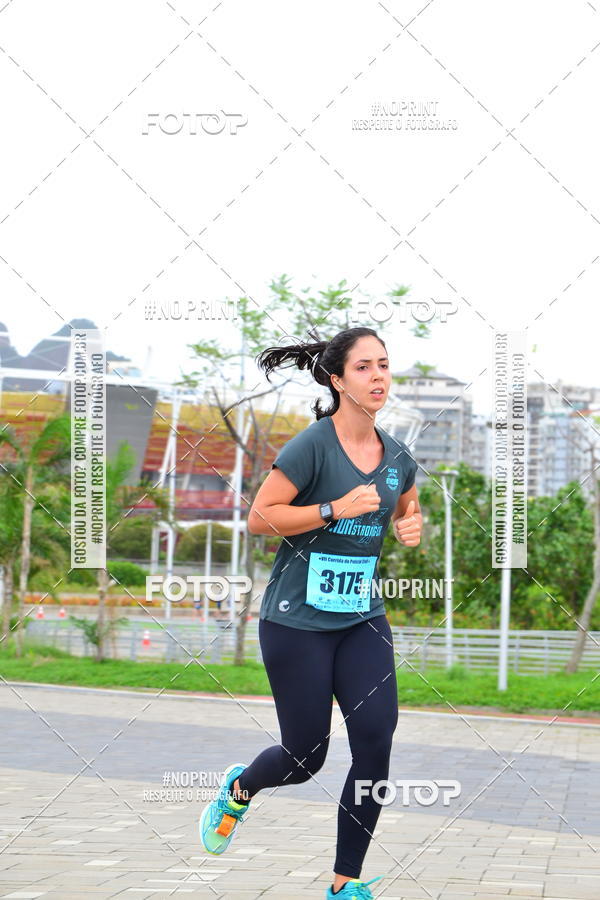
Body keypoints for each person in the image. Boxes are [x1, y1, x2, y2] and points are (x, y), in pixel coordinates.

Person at [200, 326, 422, 899]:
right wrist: (332, 508)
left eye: (384, 365)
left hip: (360, 618)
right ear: (336, 379)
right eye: (365, 367)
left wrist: (410, 523)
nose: (378, 376)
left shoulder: (397, 456)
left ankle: (344, 883)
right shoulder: (312, 446)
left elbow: (405, 499)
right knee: (306, 756)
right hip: (296, 621)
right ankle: (240, 789)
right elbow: (260, 517)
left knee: (376, 737)